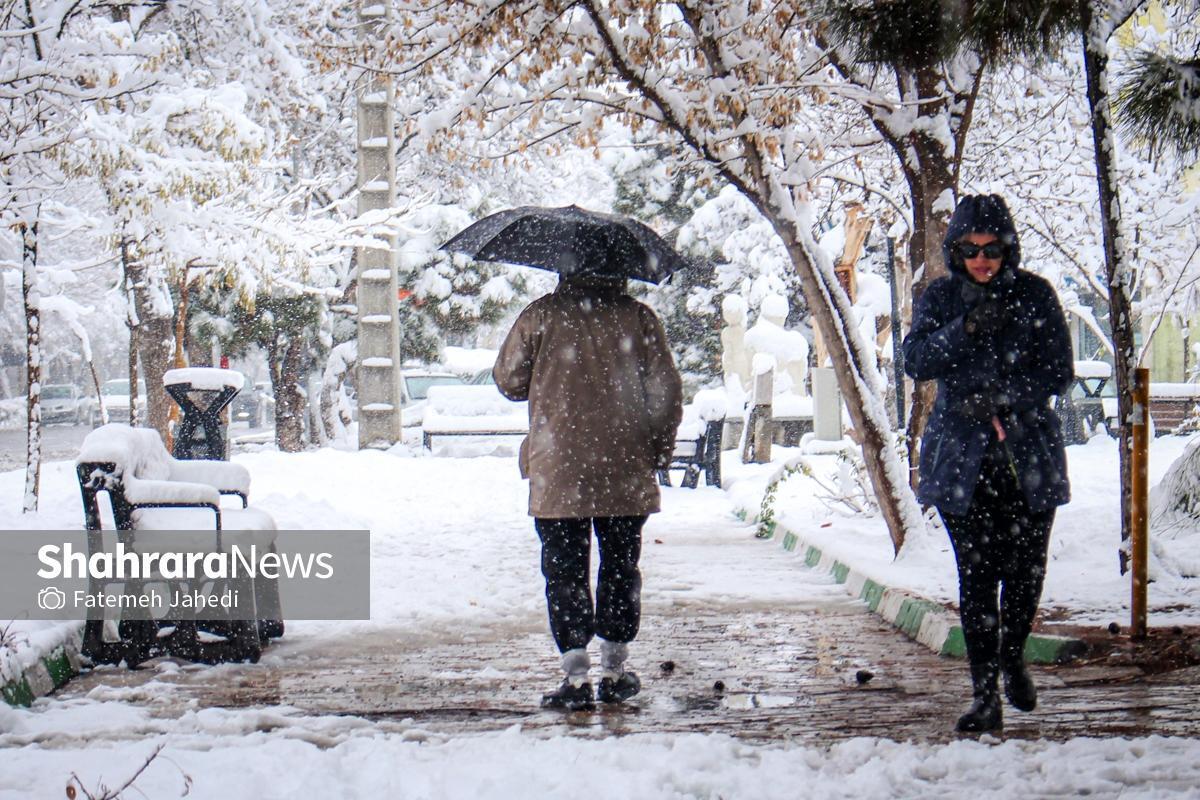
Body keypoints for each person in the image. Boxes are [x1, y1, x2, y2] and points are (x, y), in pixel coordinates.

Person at [902, 194, 1073, 733]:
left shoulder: (1035, 296)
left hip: (1027, 457)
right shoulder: (940, 297)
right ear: (956, 251)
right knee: (977, 576)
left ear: (1007, 249)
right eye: (970, 249)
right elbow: (916, 359)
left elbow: (1059, 371)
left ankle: (1013, 652)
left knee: (1024, 572)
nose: (982, 259)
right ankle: (984, 697)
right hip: (963, 464)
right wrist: (966, 329)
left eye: (992, 249)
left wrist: (1006, 396)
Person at [493, 272, 683, 711]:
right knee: (620, 565)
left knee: (564, 571)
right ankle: (615, 671)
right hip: (624, 461)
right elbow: (666, 390)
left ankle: (575, 676)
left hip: (559, 465)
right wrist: (657, 448)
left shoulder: (540, 315)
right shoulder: (638, 318)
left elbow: (508, 380)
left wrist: (550, 371)